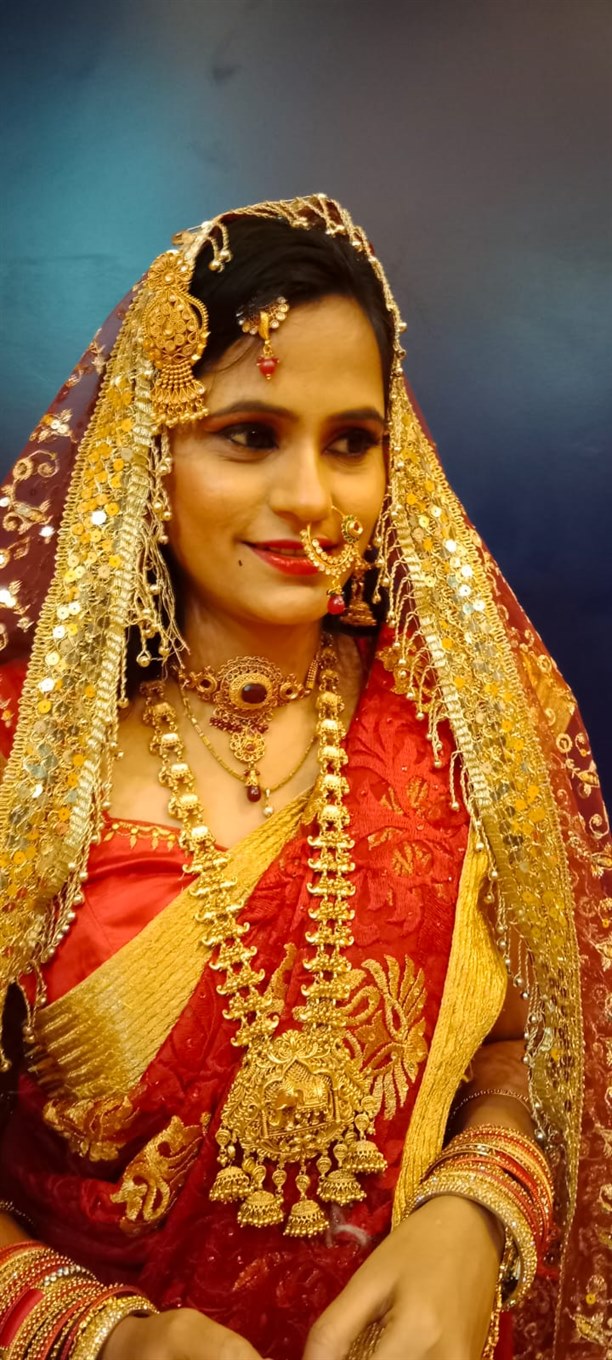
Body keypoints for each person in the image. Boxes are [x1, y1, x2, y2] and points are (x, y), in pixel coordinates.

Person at [0, 195, 608, 1360]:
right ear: (149, 452)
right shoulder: (28, 754)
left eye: (351, 441)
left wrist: (479, 1202)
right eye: (249, 434)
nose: (312, 498)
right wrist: (100, 1337)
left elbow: (542, 1044)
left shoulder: (463, 731)